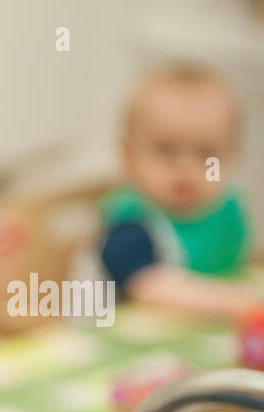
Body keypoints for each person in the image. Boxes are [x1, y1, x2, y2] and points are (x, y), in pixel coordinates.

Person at [96, 63, 262, 316]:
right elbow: (153, 289)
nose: (186, 168)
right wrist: (240, 301)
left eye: (205, 153)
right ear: (128, 156)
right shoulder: (131, 226)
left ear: (232, 154)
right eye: (166, 150)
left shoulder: (225, 207)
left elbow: (238, 260)